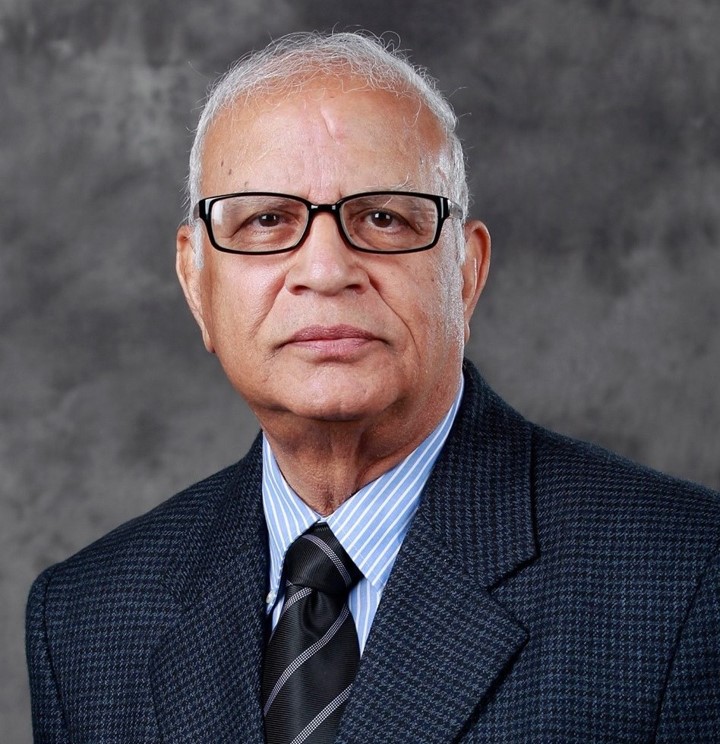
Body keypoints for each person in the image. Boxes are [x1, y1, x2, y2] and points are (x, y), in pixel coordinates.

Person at [26, 31, 720, 743]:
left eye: (383, 218)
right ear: (197, 285)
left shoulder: (686, 581)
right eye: (267, 220)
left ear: (466, 274)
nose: (326, 271)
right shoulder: (85, 620)